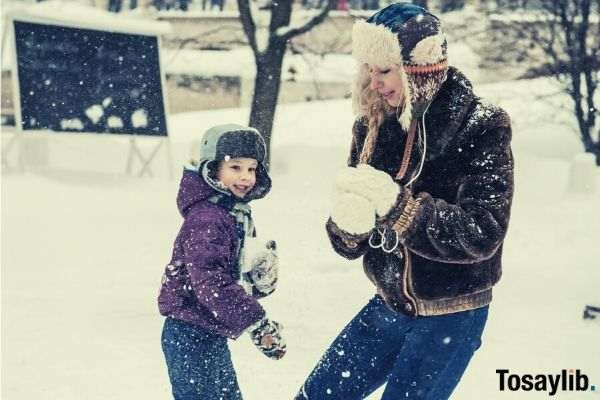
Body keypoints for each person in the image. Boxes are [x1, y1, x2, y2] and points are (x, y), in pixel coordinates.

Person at [295, 3, 514, 400]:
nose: (374, 84)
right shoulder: (374, 122)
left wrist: (402, 210)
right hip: (389, 302)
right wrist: (347, 226)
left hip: (452, 313)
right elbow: (354, 238)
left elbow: (483, 233)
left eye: (384, 71)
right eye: (368, 71)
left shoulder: (482, 126)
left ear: (419, 68)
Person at [158, 124, 286, 400]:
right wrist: (256, 321)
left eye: (252, 169)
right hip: (188, 333)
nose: (246, 177)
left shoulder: (231, 213)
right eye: (235, 167)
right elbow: (209, 282)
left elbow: (227, 275)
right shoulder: (208, 219)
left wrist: (257, 280)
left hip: (209, 330)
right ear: (212, 169)